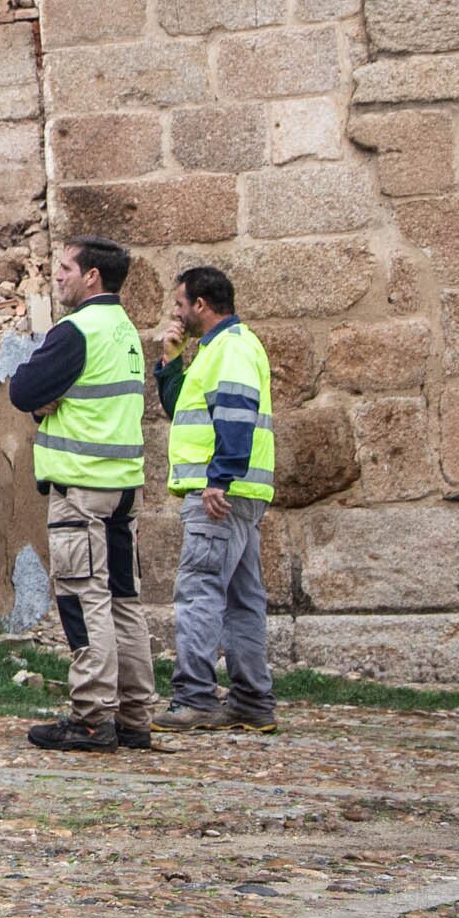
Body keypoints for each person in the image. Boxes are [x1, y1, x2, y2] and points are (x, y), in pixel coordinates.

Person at [6, 237, 161, 752]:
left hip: (81, 487)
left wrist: (44, 401)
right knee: (123, 599)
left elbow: (23, 389)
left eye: (66, 268)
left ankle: (93, 717)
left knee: (82, 597)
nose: (58, 277)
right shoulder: (127, 332)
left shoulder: (75, 331)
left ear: (92, 276)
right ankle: (137, 715)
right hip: (123, 487)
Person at [152, 264, 278, 734]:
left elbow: (235, 416)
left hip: (219, 497)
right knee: (242, 599)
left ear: (200, 305)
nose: (176, 312)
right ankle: (250, 703)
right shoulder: (217, 350)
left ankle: (195, 697)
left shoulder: (230, 349)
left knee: (199, 593)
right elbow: (181, 407)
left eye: (180, 304)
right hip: (236, 494)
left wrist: (218, 479)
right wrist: (170, 362)